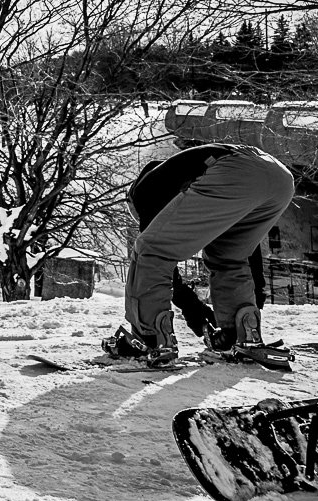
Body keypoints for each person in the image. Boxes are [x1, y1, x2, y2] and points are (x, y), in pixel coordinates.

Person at [113, 143, 293, 369]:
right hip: (279, 178)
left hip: (235, 169)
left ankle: (149, 339)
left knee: (149, 248)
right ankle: (242, 334)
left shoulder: (145, 192)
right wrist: (255, 298)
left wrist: (192, 308)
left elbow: (157, 256)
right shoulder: (183, 172)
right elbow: (247, 251)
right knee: (229, 255)